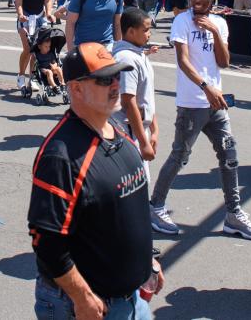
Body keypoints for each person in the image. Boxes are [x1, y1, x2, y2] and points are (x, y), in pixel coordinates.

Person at [27, 43, 162, 320]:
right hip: (88, 306)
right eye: (104, 79)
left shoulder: (118, 132)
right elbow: (46, 241)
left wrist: (145, 261)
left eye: (117, 76)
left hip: (132, 298)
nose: (115, 84)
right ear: (76, 88)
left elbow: (123, 211)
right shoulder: (61, 156)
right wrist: (82, 296)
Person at [149, 0, 251, 241]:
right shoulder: (181, 21)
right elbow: (183, 61)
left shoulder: (220, 23)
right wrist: (205, 87)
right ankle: (155, 206)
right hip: (193, 102)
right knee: (180, 156)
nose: (197, 0)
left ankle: (234, 214)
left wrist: (214, 31)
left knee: (229, 156)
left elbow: (223, 62)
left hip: (216, 103)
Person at [113, 7, 159, 183]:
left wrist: (154, 130)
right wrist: (143, 141)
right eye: (145, 30)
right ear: (131, 32)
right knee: (133, 184)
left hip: (139, 130)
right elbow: (128, 101)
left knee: (140, 182)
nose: (149, 34)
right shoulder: (126, 58)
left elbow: (145, 96)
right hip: (127, 131)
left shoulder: (139, 55)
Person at [15, 0, 54, 89]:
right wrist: (20, 15)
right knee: (27, 49)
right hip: (25, 16)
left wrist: (49, 13)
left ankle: (32, 78)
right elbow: (18, 2)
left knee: (37, 50)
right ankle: (20, 75)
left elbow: (48, 0)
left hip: (40, 17)